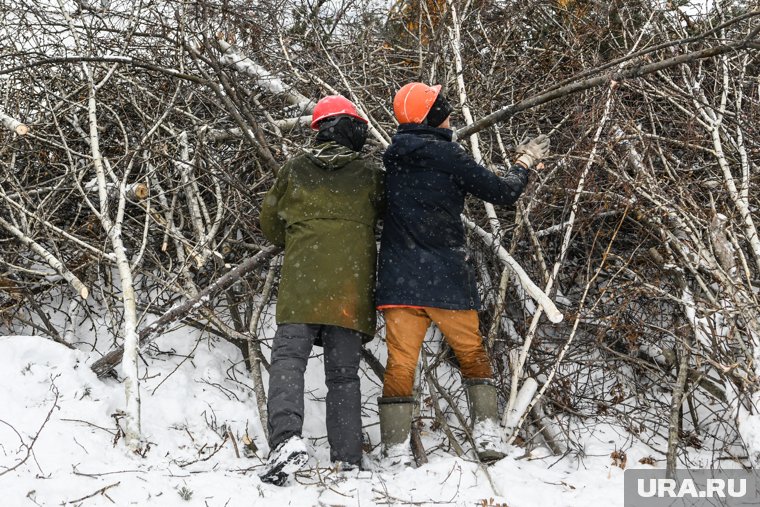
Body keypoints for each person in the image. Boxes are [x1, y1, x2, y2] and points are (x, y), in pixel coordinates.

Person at [376, 82, 549, 462]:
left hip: (398, 278)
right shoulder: (448, 156)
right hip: (445, 275)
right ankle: (486, 434)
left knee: (401, 363)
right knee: (472, 353)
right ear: (435, 116)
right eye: (444, 107)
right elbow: (503, 193)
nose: (450, 112)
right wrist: (523, 163)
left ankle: (394, 448)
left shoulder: (391, 159)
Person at [258, 95, 384, 485]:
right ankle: (347, 458)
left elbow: (270, 226)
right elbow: (386, 218)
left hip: (301, 287)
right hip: (349, 291)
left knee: (288, 362)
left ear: (320, 131)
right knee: (343, 375)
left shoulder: (294, 170)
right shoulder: (370, 174)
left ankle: (286, 442)